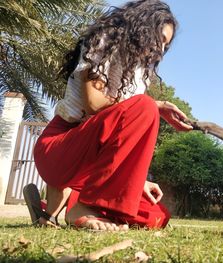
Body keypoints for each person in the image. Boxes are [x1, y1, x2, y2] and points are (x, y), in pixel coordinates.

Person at [28, 0, 192, 231]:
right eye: (161, 39)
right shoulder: (103, 40)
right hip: (60, 146)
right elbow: (94, 104)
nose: (162, 50)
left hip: (91, 166)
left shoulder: (140, 74)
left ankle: (57, 206)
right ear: (144, 26)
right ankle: (82, 208)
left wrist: (136, 180)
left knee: (156, 216)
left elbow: (120, 138)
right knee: (145, 107)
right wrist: (155, 106)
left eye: (167, 45)